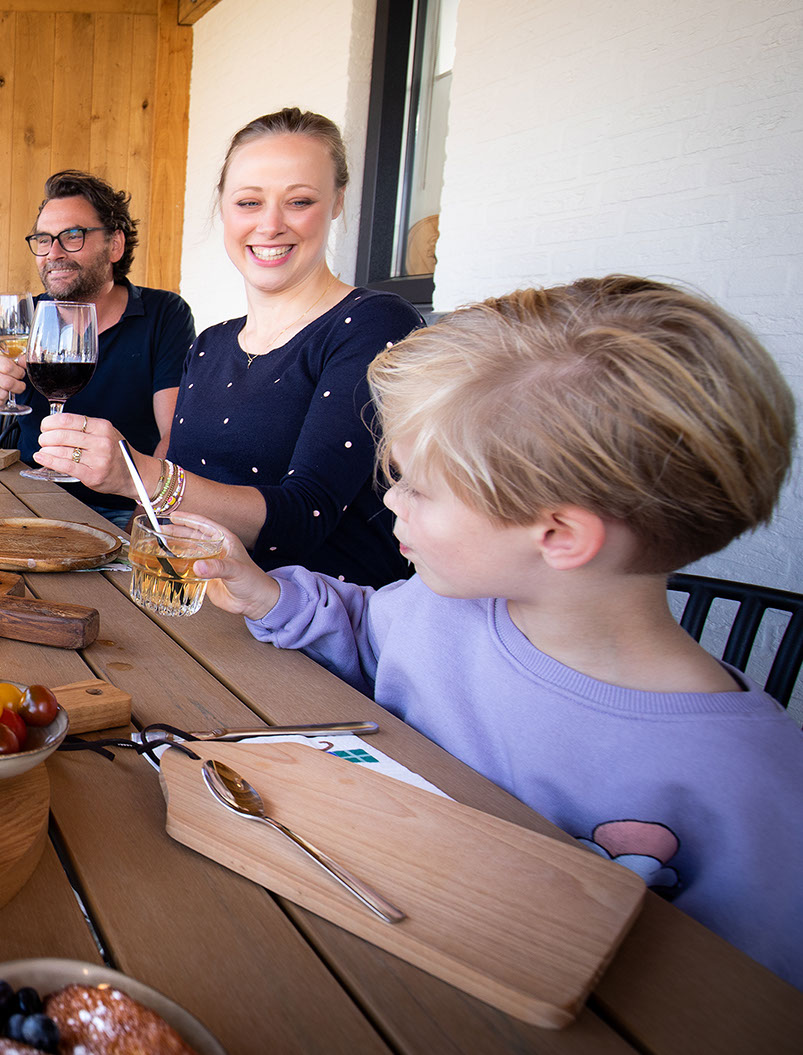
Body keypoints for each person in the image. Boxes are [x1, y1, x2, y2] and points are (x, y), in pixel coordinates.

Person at [183, 275, 803, 988]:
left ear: (558, 534)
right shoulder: (440, 609)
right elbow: (363, 630)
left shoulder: (755, 788)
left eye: (417, 485)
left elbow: (746, 1008)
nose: (390, 499)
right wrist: (266, 593)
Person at [39, 110, 423, 585]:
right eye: (249, 203)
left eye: (299, 201)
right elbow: (177, 512)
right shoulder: (210, 344)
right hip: (198, 609)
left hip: (311, 637)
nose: (270, 225)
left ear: (337, 201)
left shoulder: (373, 324)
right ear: (224, 207)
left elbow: (307, 518)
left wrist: (135, 474)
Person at [0, 171, 194, 525]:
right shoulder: (27, 314)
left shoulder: (164, 314)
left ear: (115, 245)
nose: (53, 252)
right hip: (25, 495)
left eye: (72, 236)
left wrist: (144, 524)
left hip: (122, 508)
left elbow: (173, 436)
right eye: (43, 239)